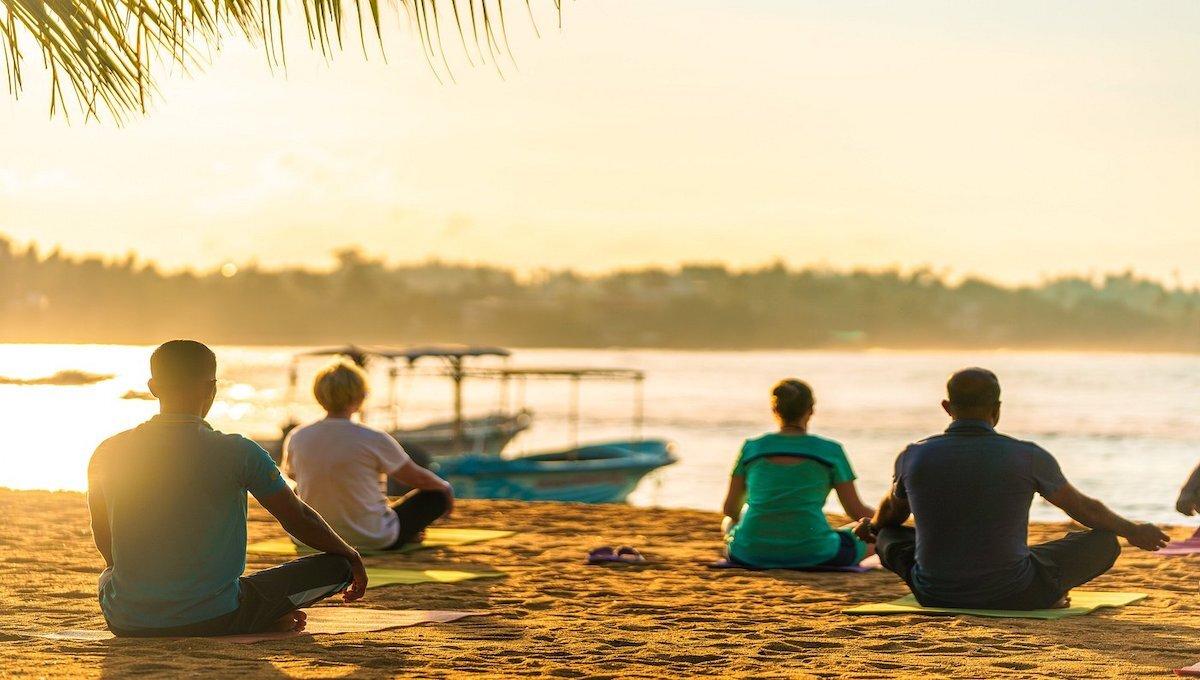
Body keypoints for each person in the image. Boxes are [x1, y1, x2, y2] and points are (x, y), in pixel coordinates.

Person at [88, 340, 368, 638]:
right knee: (338, 566)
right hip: (215, 616)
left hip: (127, 619)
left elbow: (104, 536)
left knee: (109, 576)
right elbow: (298, 518)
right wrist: (351, 555)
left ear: (154, 387)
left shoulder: (108, 450)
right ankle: (265, 617)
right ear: (212, 388)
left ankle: (264, 615)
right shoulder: (239, 452)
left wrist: (146, 583)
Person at [855, 367, 1169, 610]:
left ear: (947, 407)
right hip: (1012, 590)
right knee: (1104, 541)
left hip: (933, 591)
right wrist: (1132, 529)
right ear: (998, 408)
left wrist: (874, 527)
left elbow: (891, 515)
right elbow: (1084, 509)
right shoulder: (1027, 455)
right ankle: (1051, 595)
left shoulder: (913, 454)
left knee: (888, 535)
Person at [282, 359, 453, 552]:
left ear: (319, 396)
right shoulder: (373, 438)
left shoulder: (298, 436)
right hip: (373, 538)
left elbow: (293, 476)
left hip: (311, 538)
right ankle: (408, 533)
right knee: (436, 494)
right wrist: (445, 489)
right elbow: (417, 478)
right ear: (360, 397)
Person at [721, 379, 876, 568]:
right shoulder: (830, 450)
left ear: (774, 410)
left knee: (729, 523)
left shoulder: (752, 448)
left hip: (749, 553)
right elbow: (856, 511)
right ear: (810, 410)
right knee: (877, 535)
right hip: (816, 552)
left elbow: (730, 509)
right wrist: (892, 521)